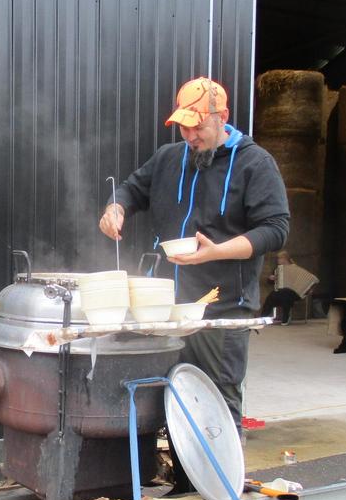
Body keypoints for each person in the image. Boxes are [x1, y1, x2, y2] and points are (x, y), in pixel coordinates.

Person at [99, 77, 289, 435]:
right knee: (168, 403)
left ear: (222, 117)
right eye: (184, 127)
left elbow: (275, 229)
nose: (189, 136)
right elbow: (131, 189)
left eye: (197, 126)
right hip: (166, 309)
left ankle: (220, 472)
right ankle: (176, 471)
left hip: (221, 310)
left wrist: (218, 252)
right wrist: (115, 209)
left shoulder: (255, 164)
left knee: (217, 406)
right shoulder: (168, 157)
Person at [262, 251, 319, 325]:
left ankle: (286, 317)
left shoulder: (296, 269)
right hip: (282, 293)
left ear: (285, 259)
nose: (278, 260)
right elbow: (270, 282)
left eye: (279, 258)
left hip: (295, 293)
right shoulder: (278, 270)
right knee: (272, 296)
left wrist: (309, 289)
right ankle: (263, 317)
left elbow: (309, 281)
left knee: (286, 293)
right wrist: (271, 279)